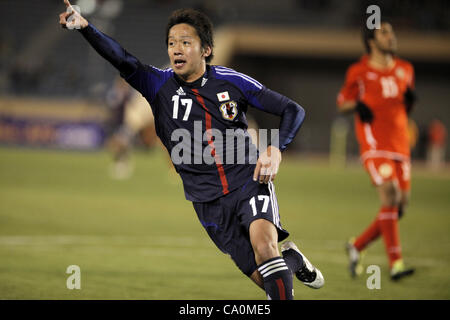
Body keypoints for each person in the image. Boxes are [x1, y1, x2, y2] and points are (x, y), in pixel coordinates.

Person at [59, 0, 324, 299]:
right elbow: (122, 59)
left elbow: (292, 109)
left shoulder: (231, 82)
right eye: (172, 43)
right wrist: (85, 27)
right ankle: (291, 259)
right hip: (206, 201)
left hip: (248, 181)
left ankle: (278, 255)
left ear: (206, 50)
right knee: (268, 278)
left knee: (264, 247)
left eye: (186, 42)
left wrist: (275, 149)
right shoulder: (157, 85)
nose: (176, 49)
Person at [337, 21, 416, 281]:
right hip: (374, 144)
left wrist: (409, 103)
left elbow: (402, 106)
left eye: (392, 32)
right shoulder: (358, 71)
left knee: (399, 207)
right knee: (390, 195)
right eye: (385, 33)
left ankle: (356, 246)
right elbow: (343, 103)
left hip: (400, 146)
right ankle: (396, 265)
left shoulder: (405, 69)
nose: (391, 37)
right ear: (372, 41)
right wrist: (357, 106)